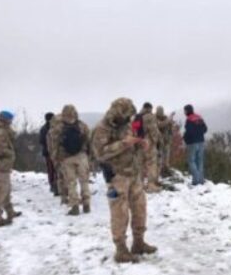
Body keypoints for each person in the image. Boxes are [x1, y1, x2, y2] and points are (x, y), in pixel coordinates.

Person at [92, 98, 157, 263]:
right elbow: (100, 153)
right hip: (117, 176)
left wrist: (140, 144)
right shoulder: (102, 128)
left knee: (140, 209)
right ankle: (121, 249)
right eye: (127, 115)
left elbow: (131, 141)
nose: (129, 119)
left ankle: (138, 242)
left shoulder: (126, 124)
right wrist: (123, 144)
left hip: (134, 174)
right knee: (119, 213)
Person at [49, 105, 92, 216]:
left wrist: (55, 158)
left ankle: (75, 206)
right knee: (84, 181)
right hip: (81, 156)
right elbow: (89, 140)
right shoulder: (82, 125)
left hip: (66, 158)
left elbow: (54, 144)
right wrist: (89, 155)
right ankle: (86, 204)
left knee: (71, 183)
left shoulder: (58, 127)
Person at [0, 110, 21, 227]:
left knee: (6, 190)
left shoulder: (3, 131)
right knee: (0, 192)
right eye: (10, 119)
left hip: (4, 166)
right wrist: (11, 153)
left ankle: (10, 211)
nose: (12, 122)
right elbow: (0, 150)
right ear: (6, 119)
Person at [135, 103, 163, 193]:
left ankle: (140, 184)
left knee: (140, 164)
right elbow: (154, 131)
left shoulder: (137, 116)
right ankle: (151, 185)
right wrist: (156, 141)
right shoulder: (150, 117)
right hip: (148, 143)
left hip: (139, 143)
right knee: (151, 164)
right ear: (150, 109)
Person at [47, 113, 69, 205]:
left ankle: (62, 196)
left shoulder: (50, 131)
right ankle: (68, 194)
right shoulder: (65, 129)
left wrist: (53, 156)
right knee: (68, 176)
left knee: (60, 176)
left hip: (56, 156)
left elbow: (49, 146)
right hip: (66, 156)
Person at [183, 104, 207, 186]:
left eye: (185, 110)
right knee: (200, 161)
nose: (184, 112)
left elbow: (188, 132)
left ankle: (196, 180)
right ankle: (201, 180)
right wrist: (199, 134)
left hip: (192, 143)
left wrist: (185, 139)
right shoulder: (199, 117)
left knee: (191, 161)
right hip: (201, 141)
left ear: (187, 111)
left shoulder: (189, 119)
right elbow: (205, 129)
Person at [39, 112, 58, 196]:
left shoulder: (43, 128)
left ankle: (53, 185)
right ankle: (55, 185)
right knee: (55, 169)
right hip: (51, 152)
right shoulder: (54, 128)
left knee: (51, 170)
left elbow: (41, 141)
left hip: (47, 152)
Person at [156, 106, 176, 175]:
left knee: (166, 156)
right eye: (159, 111)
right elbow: (160, 125)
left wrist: (171, 122)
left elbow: (170, 128)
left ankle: (166, 169)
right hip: (158, 141)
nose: (160, 113)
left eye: (161, 111)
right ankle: (160, 170)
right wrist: (169, 119)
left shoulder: (165, 118)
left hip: (167, 140)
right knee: (160, 156)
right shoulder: (154, 118)